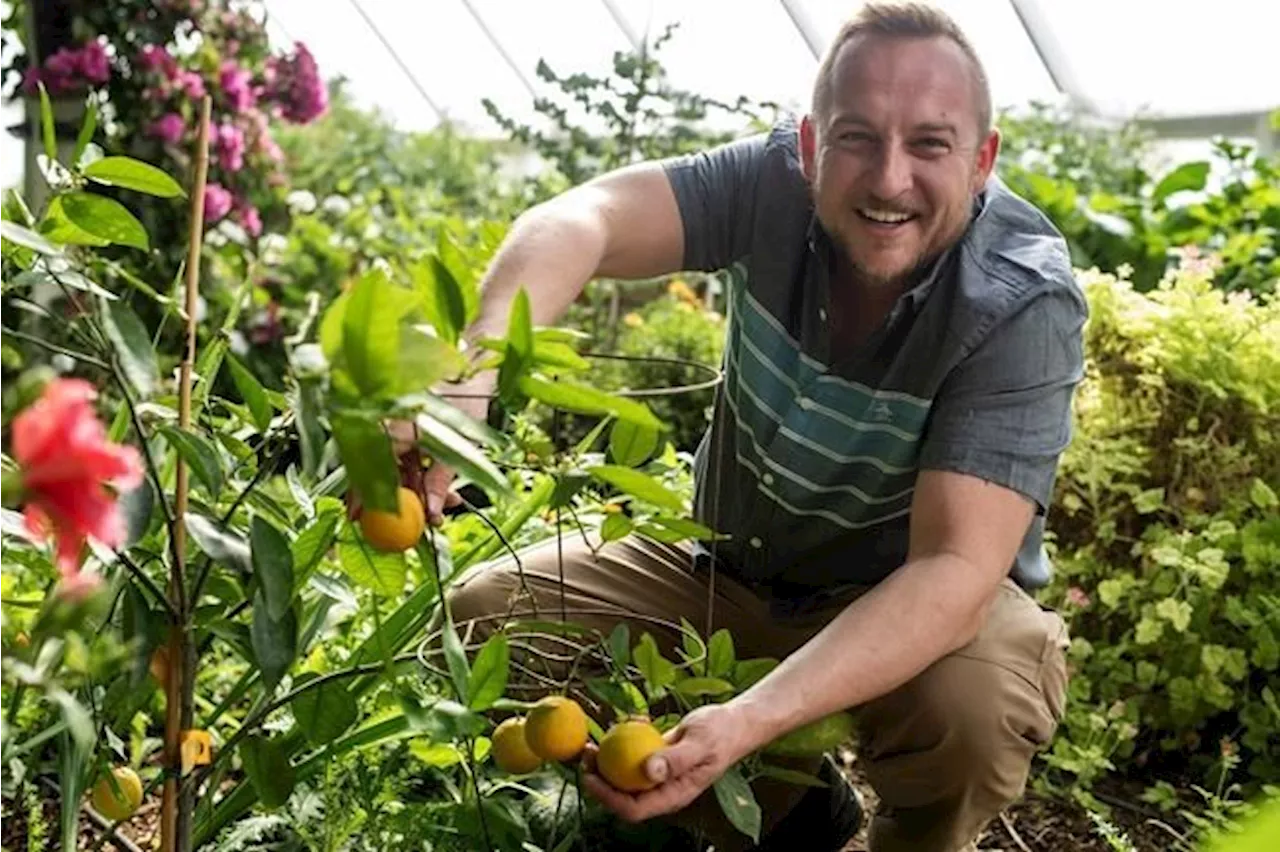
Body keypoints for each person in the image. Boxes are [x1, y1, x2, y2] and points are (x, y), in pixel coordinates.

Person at [421, 3, 1085, 850]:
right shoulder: (769, 185)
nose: (887, 179)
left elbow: (952, 574)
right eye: (855, 138)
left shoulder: (1020, 301)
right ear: (810, 146)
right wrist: (468, 382)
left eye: (929, 144)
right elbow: (581, 219)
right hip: (729, 570)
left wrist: (749, 718)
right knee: (490, 613)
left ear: (983, 160)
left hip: (901, 608)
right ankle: (794, 818)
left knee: (974, 708)